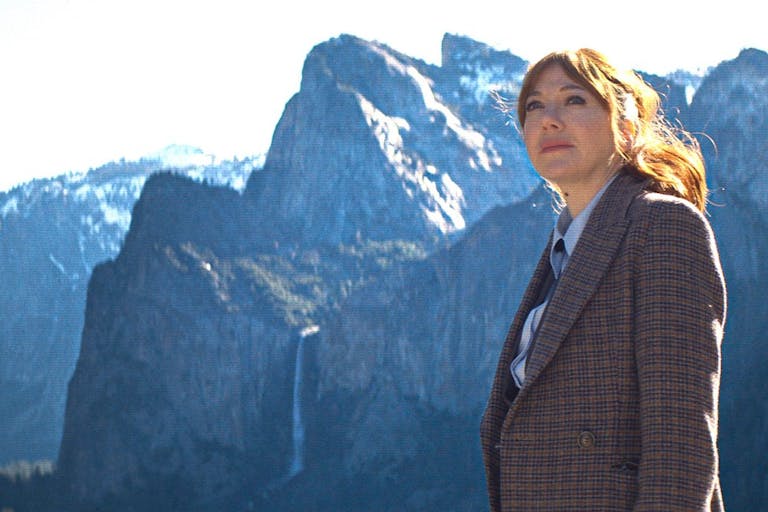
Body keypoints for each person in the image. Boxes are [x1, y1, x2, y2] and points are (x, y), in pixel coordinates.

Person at [480, 48, 727, 511]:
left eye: (574, 99)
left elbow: (681, 443)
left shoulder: (663, 226)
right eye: (534, 106)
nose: (549, 120)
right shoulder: (563, 251)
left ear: (627, 126)